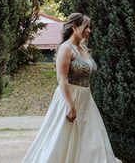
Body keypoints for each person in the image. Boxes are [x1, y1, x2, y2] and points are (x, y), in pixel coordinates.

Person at [22, 13, 116, 163]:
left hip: (86, 99)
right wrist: (71, 105)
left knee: (92, 139)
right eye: (86, 27)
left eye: (89, 27)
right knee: (61, 138)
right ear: (74, 27)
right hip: (69, 98)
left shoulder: (84, 49)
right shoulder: (66, 48)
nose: (89, 30)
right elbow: (62, 78)